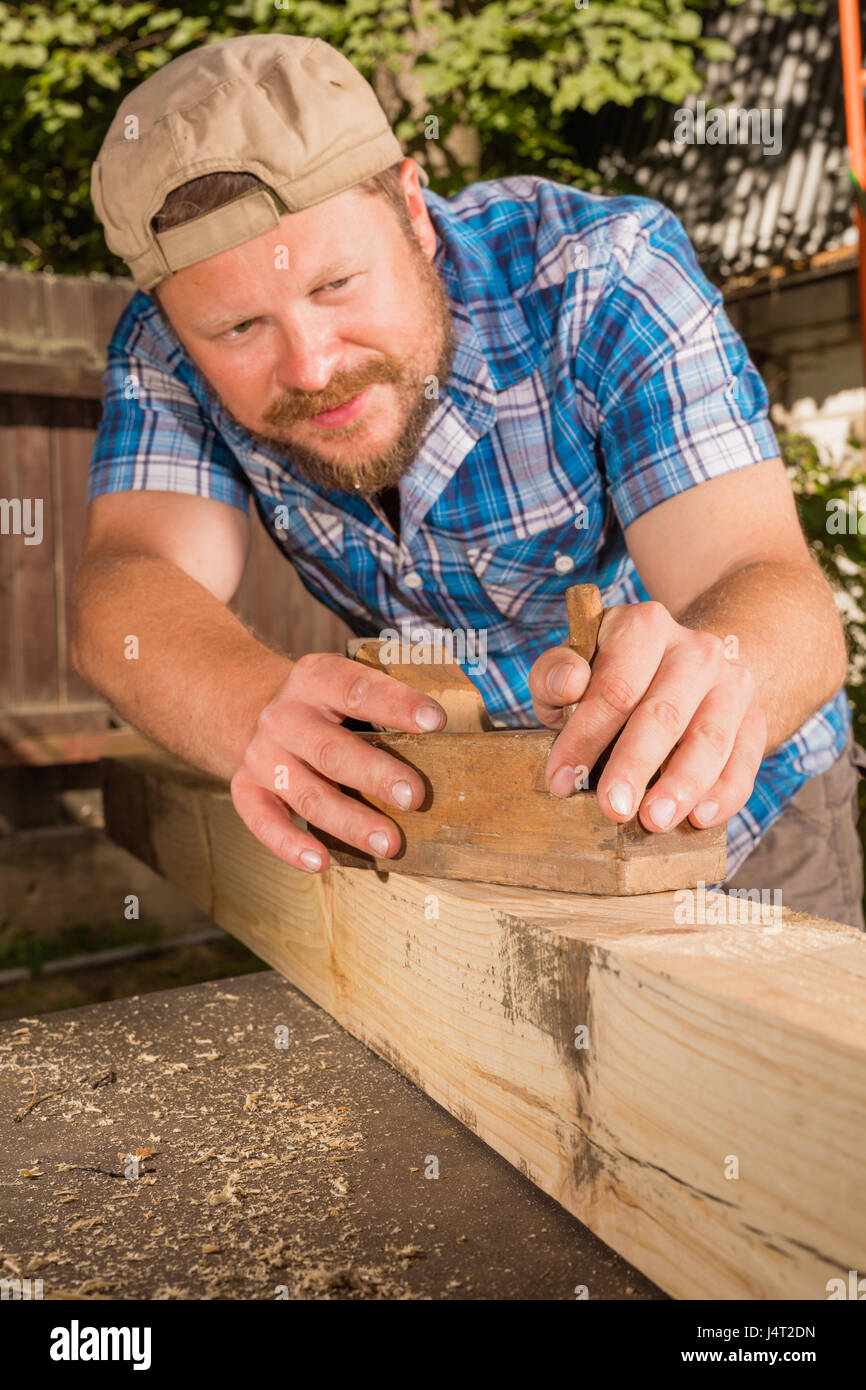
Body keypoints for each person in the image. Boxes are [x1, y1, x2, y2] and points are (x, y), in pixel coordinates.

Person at [74, 33, 864, 928]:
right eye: (239, 329)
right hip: (457, 840)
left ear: (413, 208)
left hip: (739, 815)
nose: (311, 366)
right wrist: (253, 709)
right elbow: (126, 588)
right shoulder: (163, 352)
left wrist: (718, 673)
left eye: (336, 285)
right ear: (176, 324)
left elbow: (774, 589)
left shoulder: (604, 273)